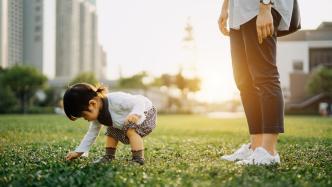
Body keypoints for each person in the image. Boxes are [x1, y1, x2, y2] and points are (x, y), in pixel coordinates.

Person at [218, 0, 293, 165]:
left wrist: (265, 6)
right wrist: (225, 7)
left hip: (259, 8)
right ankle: (256, 146)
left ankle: (269, 152)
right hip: (238, 13)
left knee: (265, 76)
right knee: (244, 83)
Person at [63, 83, 157, 165]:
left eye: (84, 115)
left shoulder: (116, 99)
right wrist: (78, 152)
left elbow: (138, 101)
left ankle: (138, 158)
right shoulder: (97, 116)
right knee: (111, 130)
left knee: (130, 130)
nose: (85, 119)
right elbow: (91, 134)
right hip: (126, 120)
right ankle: (109, 156)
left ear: (92, 104)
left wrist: (136, 113)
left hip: (145, 112)